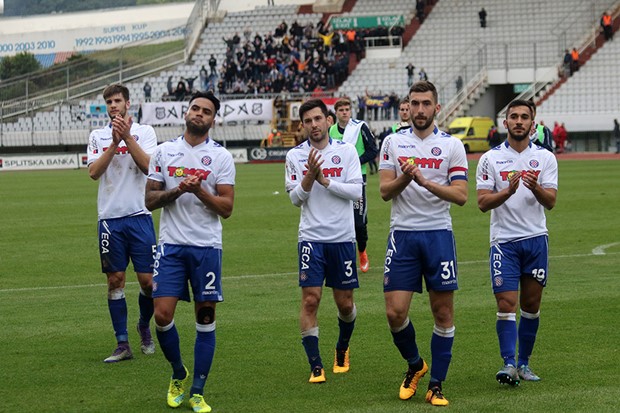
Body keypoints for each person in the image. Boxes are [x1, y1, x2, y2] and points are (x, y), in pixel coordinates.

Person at [379, 81, 468, 406]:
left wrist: (425, 180)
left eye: (425, 104)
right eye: (414, 103)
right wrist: (406, 176)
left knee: (442, 312)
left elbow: (460, 196)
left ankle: (436, 384)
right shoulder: (393, 142)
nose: (419, 109)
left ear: (436, 108)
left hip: (438, 235)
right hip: (402, 235)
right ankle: (416, 365)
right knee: (394, 312)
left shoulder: (451, 146)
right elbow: (385, 191)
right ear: (408, 106)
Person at [145, 91, 235, 413]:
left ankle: (197, 390)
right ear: (187, 112)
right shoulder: (164, 152)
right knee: (162, 315)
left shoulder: (221, 157)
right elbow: (150, 201)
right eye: (195, 108)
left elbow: (226, 208)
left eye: (206, 111)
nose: (199, 114)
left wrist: (199, 192)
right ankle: (178, 373)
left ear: (213, 119)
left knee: (205, 318)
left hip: (207, 247)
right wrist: (176, 191)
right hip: (170, 245)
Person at [476, 99, 558, 387]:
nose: (519, 121)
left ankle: (524, 363)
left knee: (531, 305)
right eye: (514, 116)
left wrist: (535, 188)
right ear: (505, 122)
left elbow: (551, 202)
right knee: (506, 303)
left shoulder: (546, 158)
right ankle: (509, 363)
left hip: (536, 239)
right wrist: (507, 192)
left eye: (524, 117)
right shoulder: (490, 159)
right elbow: (482, 203)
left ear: (532, 124)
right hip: (504, 242)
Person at [285, 98, 363, 384]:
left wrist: (326, 181)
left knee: (345, 305)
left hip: (342, 238)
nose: (314, 125)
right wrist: (309, 177)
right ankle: (315, 365)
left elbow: (356, 192)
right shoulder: (295, 155)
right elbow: (295, 199)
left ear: (328, 120)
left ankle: (342, 348)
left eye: (318, 119)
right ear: (303, 125)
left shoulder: (346, 152)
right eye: (308, 121)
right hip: (311, 238)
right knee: (310, 300)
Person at [87, 83, 158, 363]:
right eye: (109, 102)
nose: (113, 105)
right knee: (115, 281)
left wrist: (127, 137)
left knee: (149, 283)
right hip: (110, 219)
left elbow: (150, 167)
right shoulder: (97, 136)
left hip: (140, 215)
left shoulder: (146, 132)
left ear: (128, 104)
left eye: (117, 101)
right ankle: (122, 343)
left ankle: (143, 324)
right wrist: (114, 142)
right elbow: (93, 172)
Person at [329, 97, 379, 273]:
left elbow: (373, 150)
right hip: (336, 181)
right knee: (337, 220)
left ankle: (362, 251)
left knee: (359, 223)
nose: (344, 112)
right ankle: (342, 257)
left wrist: (355, 162)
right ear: (336, 113)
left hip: (358, 179)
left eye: (347, 109)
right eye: (341, 110)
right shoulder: (331, 131)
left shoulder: (359, 127)